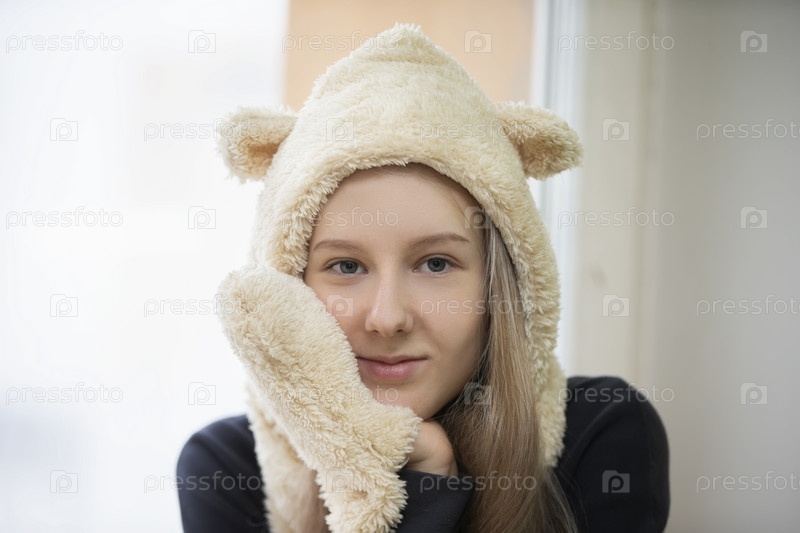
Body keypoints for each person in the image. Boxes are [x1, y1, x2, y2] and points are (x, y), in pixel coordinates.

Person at [176, 24, 669, 533]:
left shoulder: (602, 432)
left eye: (435, 264)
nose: (387, 318)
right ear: (290, 283)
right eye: (346, 266)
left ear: (500, 288)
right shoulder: (226, 468)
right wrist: (419, 482)